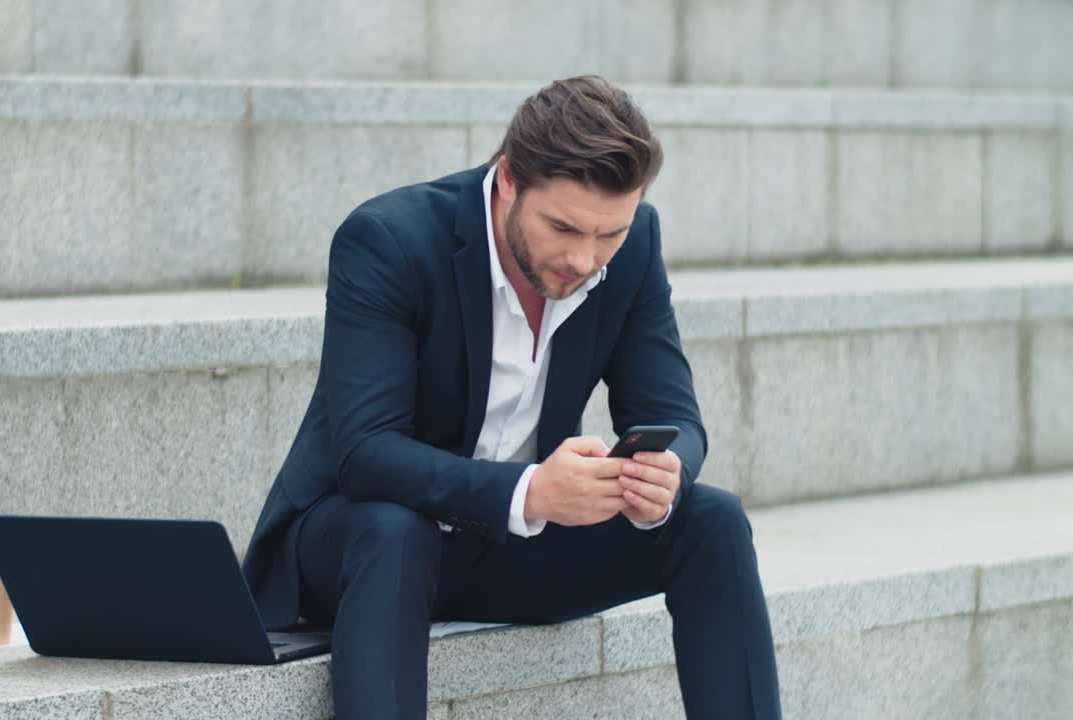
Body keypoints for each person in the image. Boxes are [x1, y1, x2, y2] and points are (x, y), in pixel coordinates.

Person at [242, 75, 781, 719]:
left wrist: (665, 472)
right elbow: (367, 453)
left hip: (511, 552)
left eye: (608, 234)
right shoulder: (389, 240)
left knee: (710, 519)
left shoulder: (631, 247)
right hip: (359, 545)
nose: (585, 258)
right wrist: (528, 491)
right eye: (563, 228)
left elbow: (673, 416)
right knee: (395, 529)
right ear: (507, 182)